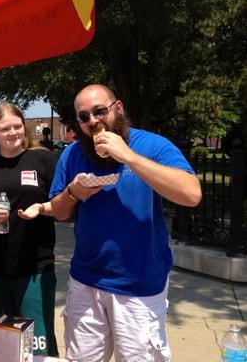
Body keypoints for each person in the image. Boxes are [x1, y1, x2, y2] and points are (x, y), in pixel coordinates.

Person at [49, 84, 202, 361]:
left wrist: (128, 156)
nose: (93, 121)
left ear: (118, 109)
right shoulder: (72, 154)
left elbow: (191, 194)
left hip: (139, 286)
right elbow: (58, 212)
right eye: (84, 117)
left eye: (99, 111)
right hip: (86, 280)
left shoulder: (151, 145)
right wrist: (73, 193)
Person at [0, 102, 60, 357]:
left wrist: (42, 208)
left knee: (38, 345)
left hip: (35, 268)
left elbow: (64, 206)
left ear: (25, 127)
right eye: (5, 128)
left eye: (17, 126)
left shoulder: (43, 159)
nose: (12, 132)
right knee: (3, 345)